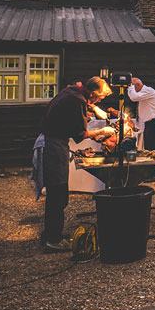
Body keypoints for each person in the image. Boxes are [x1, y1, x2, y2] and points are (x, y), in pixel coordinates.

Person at [40, 77, 116, 252]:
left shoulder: (74, 92)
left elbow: (79, 95)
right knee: (58, 193)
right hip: (54, 145)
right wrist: (102, 131)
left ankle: (52, 234)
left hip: (54, 142)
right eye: (101, 98)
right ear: (93, 93)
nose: (101, 100)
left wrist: (95, 108)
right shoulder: (77, 100)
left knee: (57, 193)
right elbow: (80, 135)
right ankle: (53, 240)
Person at [127, 76, 155, 152]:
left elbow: (133, 97)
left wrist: (130, 87)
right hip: (148, 123)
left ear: (137, 85)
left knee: (152, 148)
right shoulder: (143, 93)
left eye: (133, 87)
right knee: (148, 147)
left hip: (154, 123)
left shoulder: (148, 90)